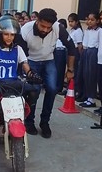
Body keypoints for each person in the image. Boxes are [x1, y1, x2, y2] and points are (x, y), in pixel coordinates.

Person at [17, 8, 76, 138]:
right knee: (34, 91)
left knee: (52, 89)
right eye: (42, 26)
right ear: (37, 20)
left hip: (49, 60)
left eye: (48, 27)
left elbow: (72, 48)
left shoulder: (58, 28)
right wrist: (25, 72)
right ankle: (29, 121)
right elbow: (21, 55)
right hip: (31, 61)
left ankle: (45, 123)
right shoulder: (25, 30)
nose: (45, 30)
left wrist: (70, 69)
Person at [79, 12, 101, 108]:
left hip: (94, 52)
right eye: (88, 19)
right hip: (86, 51)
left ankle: (91, 98)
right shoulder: (87, 30)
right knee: (85, 75)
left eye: (92, 20)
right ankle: (86, 96)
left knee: (92, 76)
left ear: (97, 21)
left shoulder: (100, 31)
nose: (89, 21)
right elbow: (85, 44)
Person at [67, 13, 84, 99]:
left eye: (72, 21)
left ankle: (76, 91)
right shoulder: (72, 30)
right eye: (69, 21)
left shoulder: (78, 31)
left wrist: (80, 57)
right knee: (70, 71)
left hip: (76, 52)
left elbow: (80, 45)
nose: (70, 23)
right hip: (71, 52)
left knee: (76, 72)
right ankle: (70, 89)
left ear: (76, 22)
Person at [54, 19, 68, 95]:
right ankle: (55, 85)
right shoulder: (56, 33)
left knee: (60, 70)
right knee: (55, 70)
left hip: (62, 51)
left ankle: (59, 87)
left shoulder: (65, 34)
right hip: (56, 51)